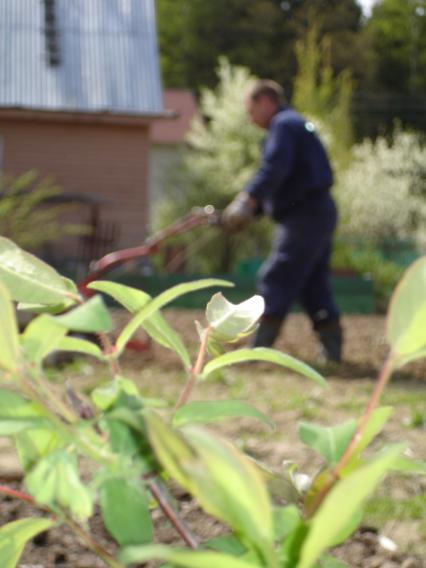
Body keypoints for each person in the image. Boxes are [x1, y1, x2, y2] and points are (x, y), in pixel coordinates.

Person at [222, 79, 343, 363]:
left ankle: (258, 348)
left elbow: (275, 168)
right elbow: (290, 181)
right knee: (313, 284)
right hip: (317, 211)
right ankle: (332, 350)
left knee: (277, 275)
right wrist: (256, 210)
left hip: (305, 216)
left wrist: (247, 200)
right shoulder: (296, 124)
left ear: (265, 101)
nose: (251, 120)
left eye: (251, 111)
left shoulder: (283, 125)